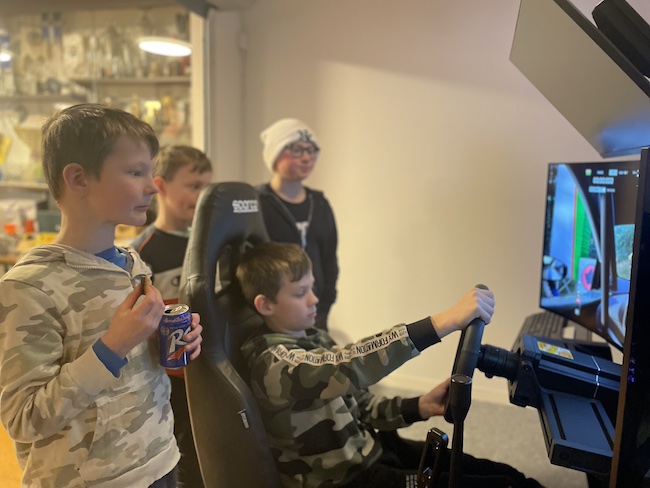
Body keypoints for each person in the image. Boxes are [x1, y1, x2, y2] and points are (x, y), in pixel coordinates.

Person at [0, 103, 203, 488]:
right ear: (78, 178)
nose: (151, 186)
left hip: (160, 459)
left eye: (151, 172)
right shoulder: (28, 288)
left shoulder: (134, 264)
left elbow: (142, 367)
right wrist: (113, 346)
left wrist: (173, 341)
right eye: (136, 172)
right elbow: (25, 418)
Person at [236, 242, 542, 488]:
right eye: (301, 293)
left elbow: (362, 406)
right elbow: (346, 365)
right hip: (344, 480)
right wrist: (442, 323)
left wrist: (417, 406)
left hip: (374, 451)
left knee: (507, 475)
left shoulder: (314, 337)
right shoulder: (272, 363)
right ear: (266, 304)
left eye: (312, 288)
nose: (314, 299)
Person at [133, 144, 213, 488]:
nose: (202, 195)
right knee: (179, 457)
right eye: (194, 186)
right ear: (161, 186)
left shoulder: (211, 241)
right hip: (170, 380)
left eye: (207, 186)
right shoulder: (142, 251)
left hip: (210, 369)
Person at [257, 118, 338, 330]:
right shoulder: (256, 203)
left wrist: (323, 308)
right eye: (296, 150)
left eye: (311, 150)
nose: (306, 158)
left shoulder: (319, 203)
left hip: (315, 315)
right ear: (275, 154)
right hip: (271, 320)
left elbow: (330, 261)